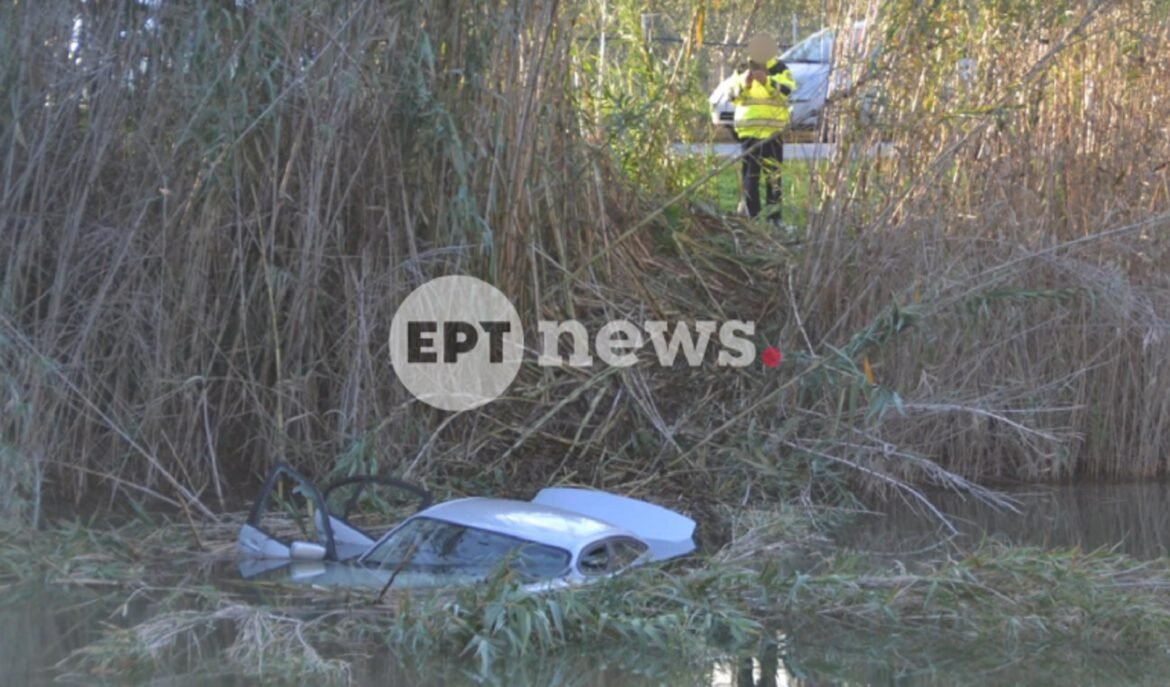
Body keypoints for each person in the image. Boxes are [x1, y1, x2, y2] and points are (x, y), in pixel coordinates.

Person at [728, 34, 796, 223]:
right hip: (749, 132)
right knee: (751, 176)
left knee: (774, 177)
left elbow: (786, 91)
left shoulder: (780, 68)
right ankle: (753, 217)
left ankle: (774, 218)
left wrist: (767, 81)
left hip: (773, 132)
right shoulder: (742, 68)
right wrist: (745, 84)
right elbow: (732, 96)